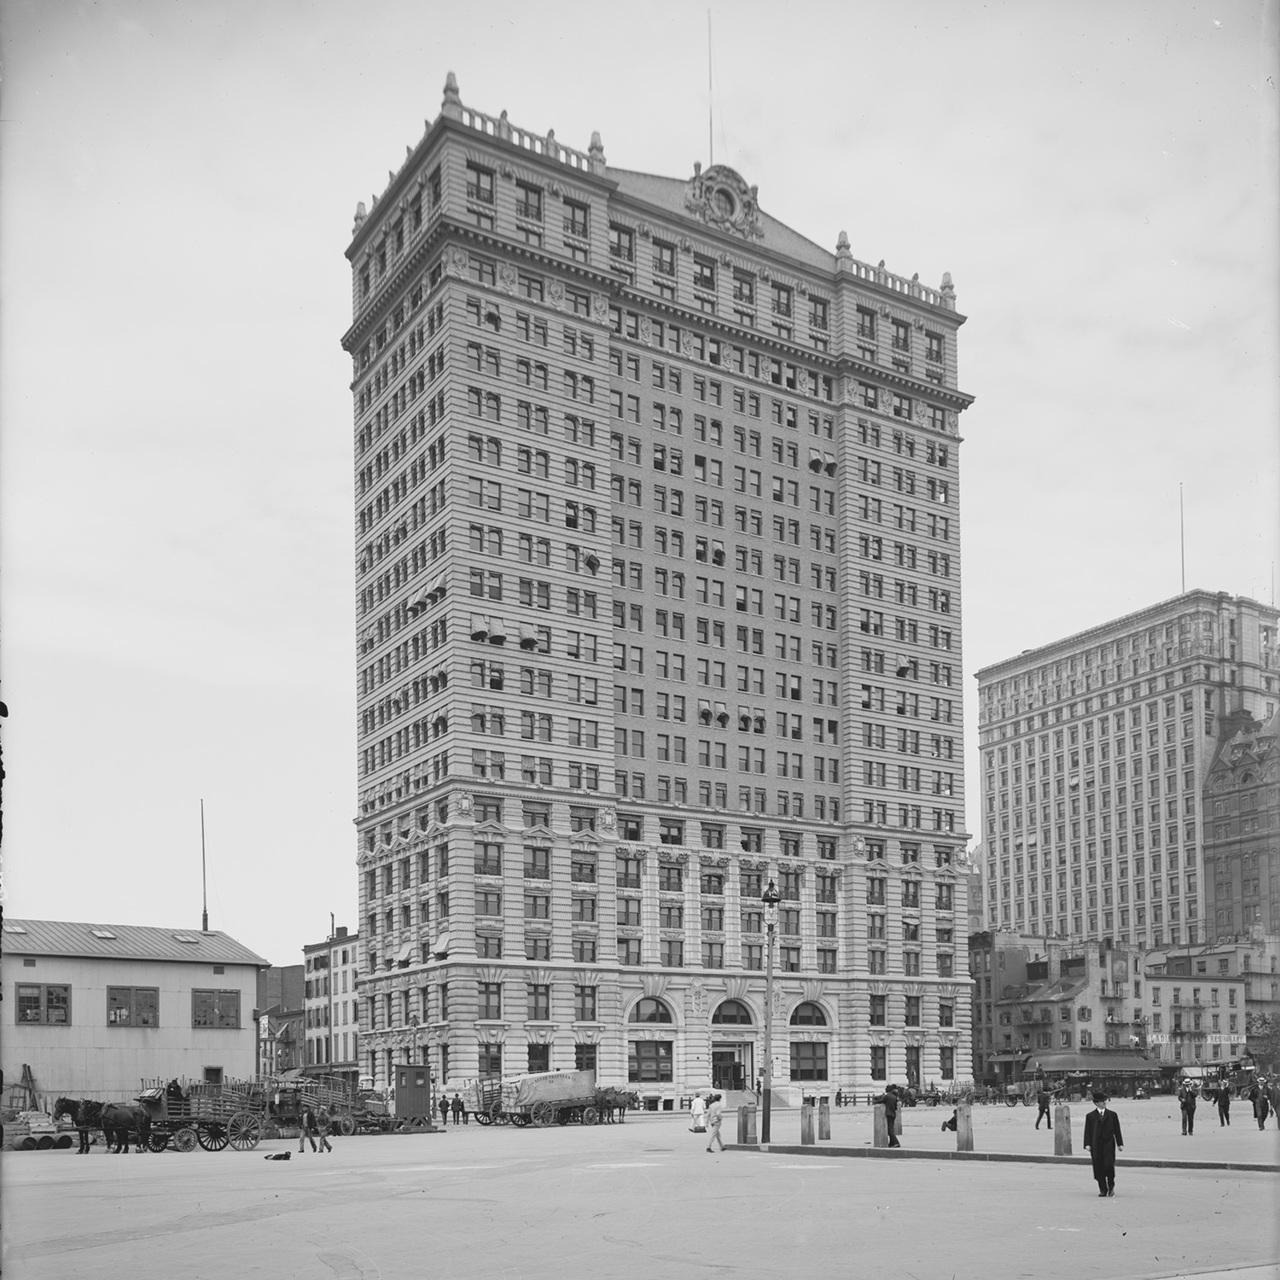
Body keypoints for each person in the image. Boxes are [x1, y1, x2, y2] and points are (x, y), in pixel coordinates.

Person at [1083, 1091, 1123, 1197]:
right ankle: (1102, 1189)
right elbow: (1087, 1131)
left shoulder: (1112, 1115)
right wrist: (1087, 1144)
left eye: (1105, 1100)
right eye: (1102, 1101)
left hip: (1109, 1145)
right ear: (1096, 1103)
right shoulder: (1090, 1116)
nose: (1104, 1102)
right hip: (1096, 1145)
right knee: (1098, 1167)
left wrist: (1120, 1143)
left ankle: (1111, 1186)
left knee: (1109, 1165)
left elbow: (1117, 1130)